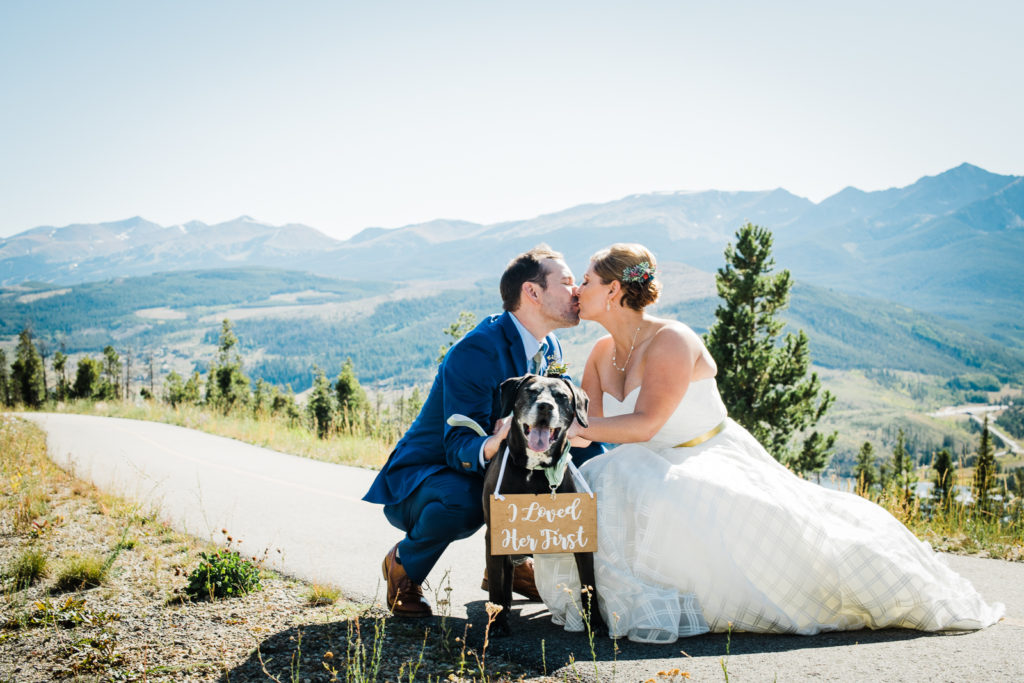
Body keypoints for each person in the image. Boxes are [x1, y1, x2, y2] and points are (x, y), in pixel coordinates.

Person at [534, 243, 1005, 643]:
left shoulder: (672, 340)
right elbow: (590, 425)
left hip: (705, 456)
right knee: (605, 479)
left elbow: (645, 425)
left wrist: (577, 430)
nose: (578, 291)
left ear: (614, 290)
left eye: (587, 282)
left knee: (799, 542)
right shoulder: (599, 352)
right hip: (643, 463)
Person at [364, 245, 603, 617]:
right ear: (532, 292)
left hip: (488, 462)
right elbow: (457, 445)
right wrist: (498, 439)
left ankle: (511, 564)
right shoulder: (477, 350)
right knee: (469, 499)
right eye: (567, 282)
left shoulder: (548, 344)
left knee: (588, 457)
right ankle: (404, 565)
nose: (576, 291)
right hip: (429, 475)